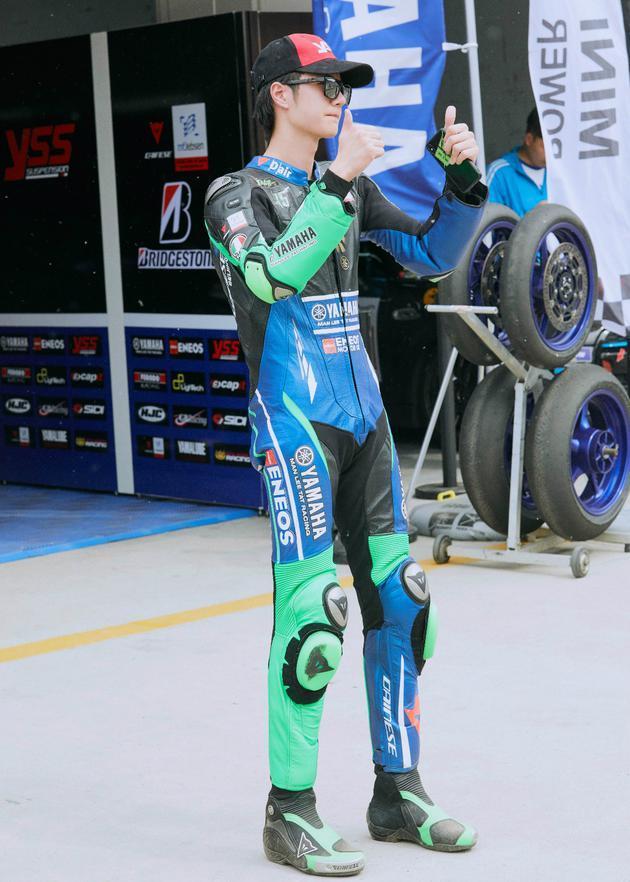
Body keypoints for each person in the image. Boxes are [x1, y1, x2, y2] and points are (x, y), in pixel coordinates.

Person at [204, 33, 486, 876]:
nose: (339, 98)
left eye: (344, 86)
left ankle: (397, 793)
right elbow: (268, 278)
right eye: (324, 85)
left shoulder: (350, 190)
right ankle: (289, 811)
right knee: (313, 619)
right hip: (295, 425)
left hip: (365, 423)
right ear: (279, 95)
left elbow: (432, 255)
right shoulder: (233, 193)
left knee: (403, 600)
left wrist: (461, 182)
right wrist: (336, 184)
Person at [486, 107, 547, 216]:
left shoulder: (561, 173)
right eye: (545, 145)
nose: (551, 153)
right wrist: (533, 219)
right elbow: (486, 221)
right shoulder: (499, 173)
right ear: (529, 139)